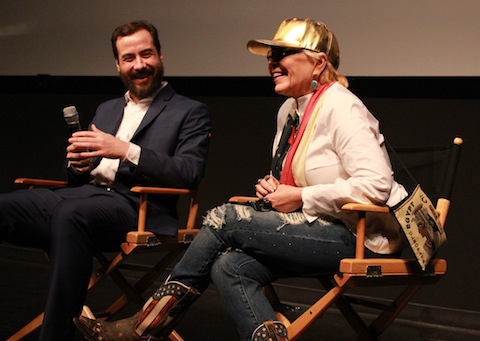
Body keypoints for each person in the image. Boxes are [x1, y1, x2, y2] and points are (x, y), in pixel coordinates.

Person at [74, 18, 407, 341]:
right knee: (229, 265)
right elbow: (298, 178)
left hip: (359, 236)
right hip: (315, 227)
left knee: (224, 219)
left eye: (282, 54)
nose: (272, 63)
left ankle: (146, 325)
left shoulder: (342, 107)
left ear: (318, 63)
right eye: (270, 56)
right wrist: (277, 188)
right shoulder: (289, 111)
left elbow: (377, 185)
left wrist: (301, 196)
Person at [0, 20, 211, 340]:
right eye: (129, 58)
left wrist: (125, 150)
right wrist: (80, 166)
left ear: (161, 56)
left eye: (146, 54)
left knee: (70, 217)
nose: (139, 65)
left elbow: (189, 172)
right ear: (118, 64)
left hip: (135, 206)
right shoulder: (107, 108)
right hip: (83, 196)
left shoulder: (189, 110)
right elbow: (75, 176)